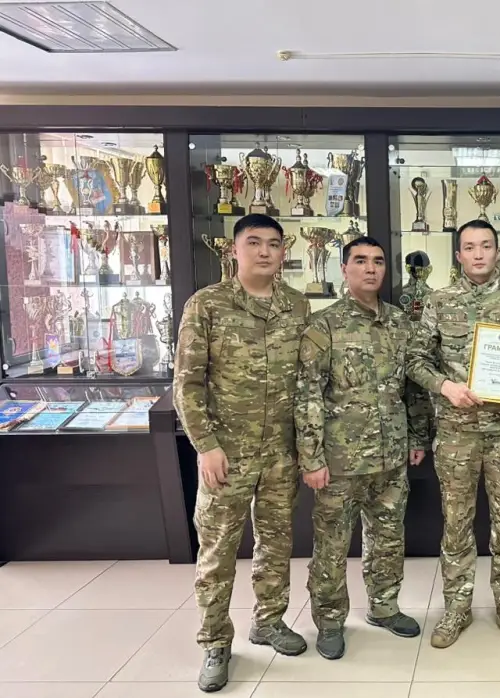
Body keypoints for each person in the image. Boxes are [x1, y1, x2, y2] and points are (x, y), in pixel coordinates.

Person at [173, 213, 311, 693]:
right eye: (254, 242)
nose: (264, 252)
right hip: (226, 455)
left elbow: (307, 383)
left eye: (273, 243)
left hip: (280, 453)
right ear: (235, 250)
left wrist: (306, 446)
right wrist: (206, 446)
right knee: (218, 550)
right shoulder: (207, 304)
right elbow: (187, 383)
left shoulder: (297, 306)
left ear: (283, 251)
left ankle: (269, 621)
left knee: (276, 543)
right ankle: (215, 641)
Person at [407, 219, 500, 650]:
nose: (478, 254)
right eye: (469, 247)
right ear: (458, 255)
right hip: (456, 435)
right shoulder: (438, 302)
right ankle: (457, 606)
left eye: (486, 246)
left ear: (497, 251)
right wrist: (445, 387)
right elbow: (415, 360)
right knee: (456, 523)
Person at [294, 236, 432, 660]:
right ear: (344, 269)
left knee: (388, 538)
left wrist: (418, 436)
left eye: (377, 261)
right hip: (340, 462)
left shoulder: (400, 324)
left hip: (391, 456)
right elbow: (308, 395)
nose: (370, 268)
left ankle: (384, 606)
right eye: (360, 261)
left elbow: (413, 388)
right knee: (332, 546)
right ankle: (330, 621)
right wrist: (311, 458)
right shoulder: (324, 326)